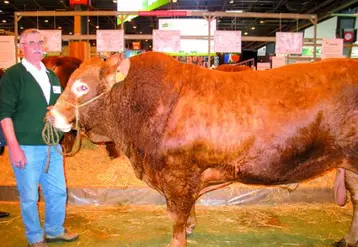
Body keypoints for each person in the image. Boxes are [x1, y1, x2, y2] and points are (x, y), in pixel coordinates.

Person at [0, 28, 78, 247]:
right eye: (31, 42)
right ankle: (34, 237)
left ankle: (54, 230)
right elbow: (4, 113)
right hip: (26, 146)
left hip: (52, 145)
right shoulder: (14, 75)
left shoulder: (51, 75)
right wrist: (13, 147)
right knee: (30, 197)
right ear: (21, 47)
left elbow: (58, 105)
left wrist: (57, 112)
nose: (37, 46)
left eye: (40, 42)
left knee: (58, 191)